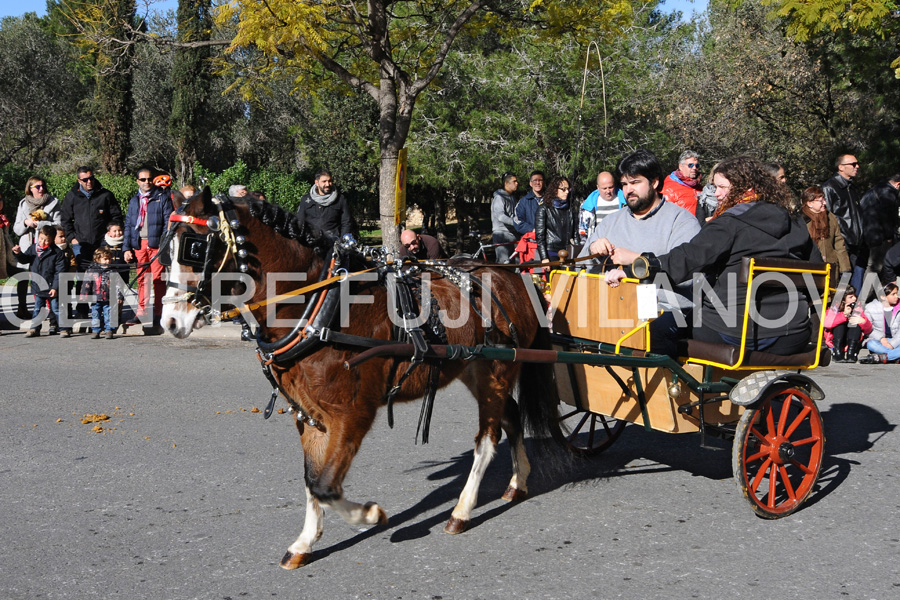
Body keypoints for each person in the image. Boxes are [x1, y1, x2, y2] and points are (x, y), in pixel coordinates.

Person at [613, 155, 821, 356]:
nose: (717, 194)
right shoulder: (796, 223)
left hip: (736, 330)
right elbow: (820, 273)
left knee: (658, 329)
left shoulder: (730, 223)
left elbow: (687, 258)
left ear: (745, 189)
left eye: (722, 187)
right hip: (794, 332)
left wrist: (639, 268)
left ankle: (671, 389)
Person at [579, 150, 701, 356]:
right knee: (570, 328)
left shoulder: (681, 221)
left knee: (648, 333)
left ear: (654, 182)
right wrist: (594, 249)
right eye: (625, 184)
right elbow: (582, 266)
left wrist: (636, 260)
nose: (628, 190)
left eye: (635, 182)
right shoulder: (611, 221)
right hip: (613, 305)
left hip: (666, 307)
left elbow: (689, 275)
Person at [123, 167, 174, 329]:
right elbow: (129, 224)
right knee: (142, 279)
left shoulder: (162, 197)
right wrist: (126, 247)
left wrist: (165, 244)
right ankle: (141, 312)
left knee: (158, 280)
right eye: (143, 180)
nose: (147, 182)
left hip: (156, 244)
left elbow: (168, 222)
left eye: (149, 179)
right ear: (137, 181)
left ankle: (159, 313)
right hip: (139, 244)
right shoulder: (134, 200)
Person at [13, 177, 61, 318]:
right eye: (38, 186)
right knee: (24, 279)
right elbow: (16, 229)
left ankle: (51, 312)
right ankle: (23, 308)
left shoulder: (53, 203)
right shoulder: (23, 204)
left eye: (43, 186)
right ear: (30, 188)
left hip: (47, 247)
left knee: (47, 277)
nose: (41, 189)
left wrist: (40, 225)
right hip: (28, 246)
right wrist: (26, 222)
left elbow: (59, 225)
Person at [11, 225, 70, 338]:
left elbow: (60, 272)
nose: (42, 242)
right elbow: (25, 260)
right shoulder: (33, 248)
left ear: (52, 240)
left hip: (51, 285)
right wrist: (18, 253)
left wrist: (55, 287)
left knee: (56, 308)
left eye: (46, 240)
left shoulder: (57, 253)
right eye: (41, 238)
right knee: (38, 308)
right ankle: (34, 328)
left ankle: (64, 328)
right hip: (38, 285)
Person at [60, 166, 123, 270]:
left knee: (105, 274)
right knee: (83, 275)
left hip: (103, 242)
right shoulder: (72, 196)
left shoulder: (106, 195)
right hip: (81, 243)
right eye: (85, 180)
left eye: (91, 178)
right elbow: (65, 219)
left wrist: (112, 233)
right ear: (79, 181)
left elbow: (116, 216)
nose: (89, 182)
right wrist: (72, 238)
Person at [822, 154, 865, 292]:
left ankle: (854, 310)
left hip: (857, 243)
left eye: (857, 163)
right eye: (853, 164)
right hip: (842, 243)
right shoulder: (830, 187)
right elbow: (826, 216)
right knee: (842, 283)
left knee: (856, 283)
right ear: (841, 167)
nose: (857, 166)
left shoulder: (852, 188)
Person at [801, 185, 850, 285]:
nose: (825, 203)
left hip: (831, 268)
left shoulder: (830, 217)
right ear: (809, 203)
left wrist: (845, 269)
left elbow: (839, 243)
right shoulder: (801, 220)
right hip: (810, 270)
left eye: (824, 199)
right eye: (820, 200)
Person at [860, 173, 900, 283]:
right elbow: (886, 216)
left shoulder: (875, 190)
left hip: (868, 233)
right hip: (880, 236)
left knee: (872, 267)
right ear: (898, 184)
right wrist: (889, 236)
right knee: (876, 267)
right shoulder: (888, 193)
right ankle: (865, 298)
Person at [80, 248, 124, 339]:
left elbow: (118, 285)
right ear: (98, 259)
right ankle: (96, 330)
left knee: (109, 314)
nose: (107, 261)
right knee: (95, 314)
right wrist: (84, 295)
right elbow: (86, 283)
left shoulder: (113, 271)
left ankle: (109, 330)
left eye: (109, 259)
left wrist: (119, 296)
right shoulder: (91, 270)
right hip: (95, 297)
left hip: (109, 297)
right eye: (105, 259)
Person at [295, 170, 353, 239]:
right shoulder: (306, 200)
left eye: (329, 181)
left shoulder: (340, 199)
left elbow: (346, 222)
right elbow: (300, 221)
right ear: (317, 182)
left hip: (332, 241)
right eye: (324, 181)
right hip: (311, 241)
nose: (327, 184)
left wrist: (342, 240)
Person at [535, 176, 577, 265]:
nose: (566, 192)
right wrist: (544, 258)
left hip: (568, 252)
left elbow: (576, 233)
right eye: (563, 189)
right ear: (555, 190)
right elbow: (540, 236)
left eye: (568, 189)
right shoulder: (544, 209)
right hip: (551, 252)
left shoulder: (571, 209)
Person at [824, 285, 871, 363]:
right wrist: (844, 315)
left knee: (855, 323)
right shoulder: (834, 308)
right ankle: (837, 352)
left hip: (851, 339)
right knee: (839, 324)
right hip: (836, 340)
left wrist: (863, 321)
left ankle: (851, 353)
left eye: (855, 296)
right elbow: (827, 323)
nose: (854, 298)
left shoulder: (857, 308)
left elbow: (868, 329)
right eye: (851, 297)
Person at [860, 283, 900, 363]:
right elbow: (869, 329)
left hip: (897, 340)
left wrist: (892, 344)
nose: (897, 296)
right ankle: (894, 356)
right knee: (871, 344)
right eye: (893, 294)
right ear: (883, 297)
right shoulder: (870, 308)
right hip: (879, 341)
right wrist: (881, 338)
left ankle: (879, 358)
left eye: (897, 293)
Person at [579, 171, 621, 239]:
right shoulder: (588, 206)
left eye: (610, 187)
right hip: (598, 246)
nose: (608, 191)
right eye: (604, 188)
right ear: (598, 187)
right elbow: (583, 231)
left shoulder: (625, 203)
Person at [661, 150, 703, 216]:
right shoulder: (668, 189)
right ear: (681, 167)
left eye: (697, 165)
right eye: (690, 165)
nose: (694, 168)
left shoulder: (699, 187)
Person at [490, 172, 519, 264]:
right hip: (501, 234)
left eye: (517, 181)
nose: (517, 183)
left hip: (513, 234)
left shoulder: (512, 198)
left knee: (518, 262)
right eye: (514, 181)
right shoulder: (499, 198)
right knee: (504, 264)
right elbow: (501, 216)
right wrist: (516, 223)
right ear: (506, 183)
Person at [514, 170, 544, 236]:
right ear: (530, 183)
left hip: (548, 241)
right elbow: (517, 221)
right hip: (531, 241)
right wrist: (532, 230)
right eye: (535, 180)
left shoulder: (550, 200)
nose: (537, 183)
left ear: (544, 182)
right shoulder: (523, 202)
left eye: (540, 180)